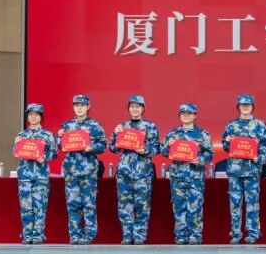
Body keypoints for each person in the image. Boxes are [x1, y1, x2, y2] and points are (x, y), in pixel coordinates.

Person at [110, 94, 160, 245]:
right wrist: (115, 134)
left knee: (142, 205)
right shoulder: (122, 126)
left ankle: (139, 236)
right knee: (124, 205)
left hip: (143, 173)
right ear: (128, 109)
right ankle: (127, 235)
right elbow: (112, 148)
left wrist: (145, 150)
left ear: (143, 108)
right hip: (124, 173)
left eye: (138, 106)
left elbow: (157, 148)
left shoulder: (150, 126)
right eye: (132, 106)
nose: (135, 109)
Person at [221, 93, 266, 244]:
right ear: (238, 106)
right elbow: (225, 146)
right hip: (235, 171)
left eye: (248, 105)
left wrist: (258, 158)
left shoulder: (260, 125)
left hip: (252, 170)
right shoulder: (231, 125)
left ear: (253, 106)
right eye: (242, 105)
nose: (245, 107)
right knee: (235, 203)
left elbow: (265, 149)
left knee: (252, 203)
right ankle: (236, 234)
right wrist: (229, 142)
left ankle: (253, 233)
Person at [161, 103, 214, 245]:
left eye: (189, 113)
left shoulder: (202, 134)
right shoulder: (173, 134)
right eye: (183, 113)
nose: (186, 115)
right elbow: (164, 152)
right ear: (179, 116)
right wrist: (168, 145)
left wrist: (200, 159)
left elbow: (209, 153)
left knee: (195, 207)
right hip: (177, 177)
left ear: (195, 116)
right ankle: (181, 236)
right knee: (178, 207)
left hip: (195, 177)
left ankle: (195, 236)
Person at [57, 94, 107, 245]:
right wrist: (59, 137)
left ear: (88, 106)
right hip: (71, 171)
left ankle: (89, 236)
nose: (79, 108)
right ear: (73, 107)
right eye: (76, 105)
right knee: (73, 204)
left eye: (82, 105)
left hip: (88, 171)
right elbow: (60, 145)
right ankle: (75, 235)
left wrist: (91, 148)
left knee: (89, 204)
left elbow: (103, 145)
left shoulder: (95, 126)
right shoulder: (67, 126)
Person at [13, 103, 58, 244]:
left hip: (41, 176)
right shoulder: (21, 135)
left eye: (36, 114)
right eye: (31, 114)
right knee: (26, 207)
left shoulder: (48, 135)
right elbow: (16, 153)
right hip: (25, 177)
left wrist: (43, 157)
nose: (33, 117)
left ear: (41, 117)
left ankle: (38, 235)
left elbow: (54, 154)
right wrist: (16, 144)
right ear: (28, 117)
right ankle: (27, 235)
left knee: (40, 206)